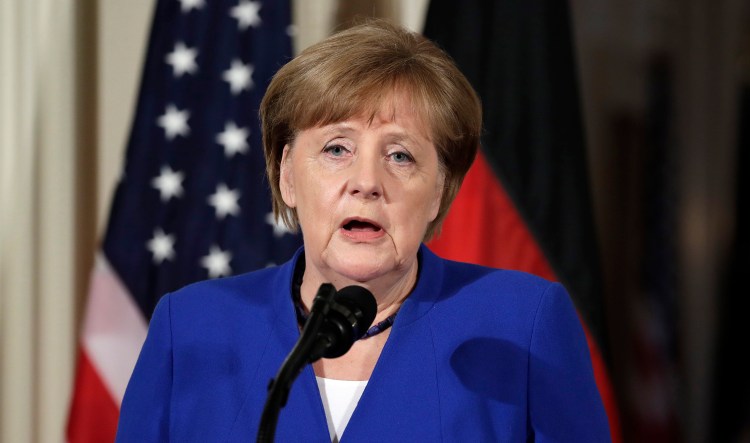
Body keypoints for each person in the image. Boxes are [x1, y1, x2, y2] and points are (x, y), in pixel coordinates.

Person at [116, 20, 610, 442]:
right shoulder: (191, 328)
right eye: (337, 149)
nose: (367, 182)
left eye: (400, 155)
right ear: (287, 175)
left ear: (438, 191)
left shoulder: (521, 326)